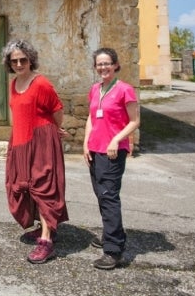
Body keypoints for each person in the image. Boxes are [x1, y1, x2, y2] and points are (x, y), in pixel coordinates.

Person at [3, 39, 68, 264]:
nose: (19, 64)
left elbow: (57, 109)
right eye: (14, 61)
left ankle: (46, 242)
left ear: (31, 60)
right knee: (26, 187)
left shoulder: (41, 83)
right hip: (21, 141)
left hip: (41, 141)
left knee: (43, 188)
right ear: (9, 64)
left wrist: (55, 130)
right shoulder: (13, 84)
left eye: (23, 60)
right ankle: (46, 227)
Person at [83, 48, 140, 270]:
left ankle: (114, 250)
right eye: (99, 64)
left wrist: (116, 140)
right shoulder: (95, 89)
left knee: (108, 196)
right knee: (101, 194)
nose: (103, 67)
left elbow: (134, 121)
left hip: (113, 152)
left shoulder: (125, 90)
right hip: (95, 150)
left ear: (115, 65)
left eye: (107, 63)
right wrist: (86, 143)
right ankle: (111, 234)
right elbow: (91, 117)